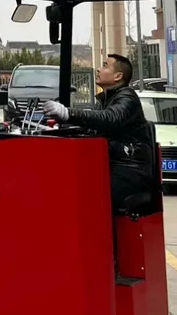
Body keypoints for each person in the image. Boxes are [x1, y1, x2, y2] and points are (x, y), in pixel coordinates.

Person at [43, 53, 155, 211]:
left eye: (105, 65)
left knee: (89, 196)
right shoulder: (104, 100)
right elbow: (90, 127)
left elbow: (109, 118)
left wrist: (69, 113)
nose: (98, 69)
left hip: (130, 170)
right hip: (111, 164)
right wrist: (58, 128)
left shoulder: (127, 98)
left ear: (118, 76)